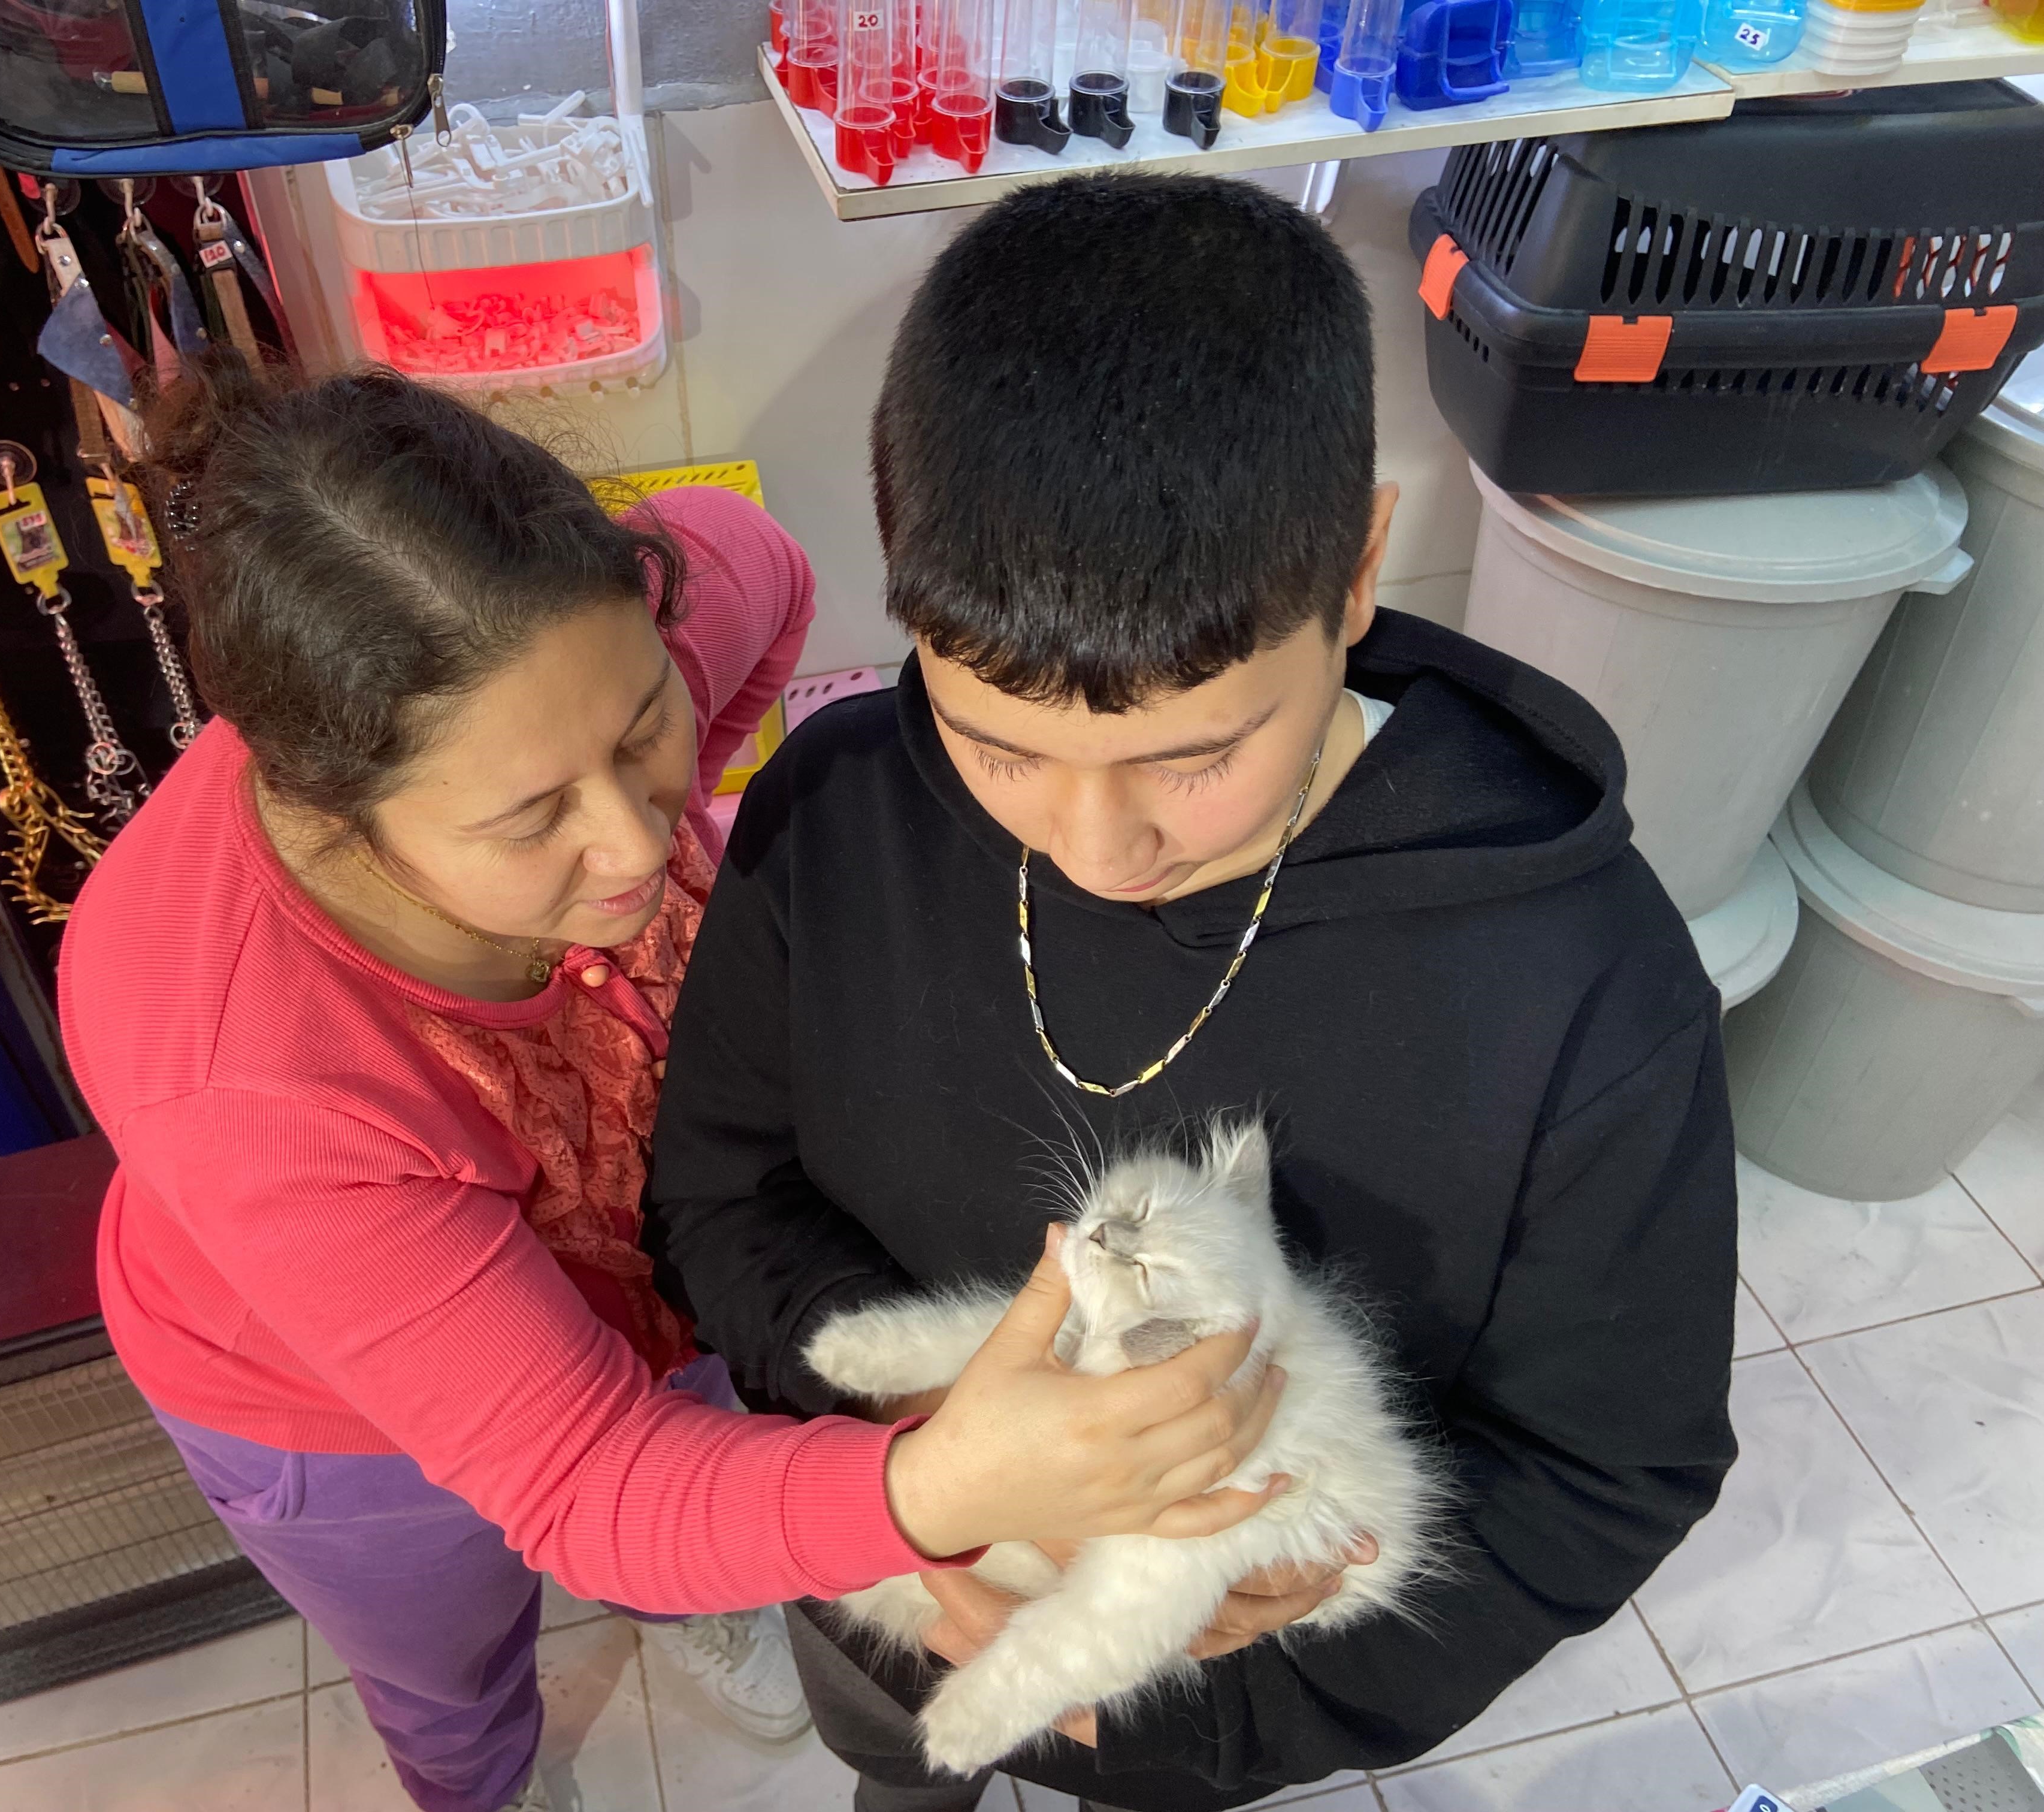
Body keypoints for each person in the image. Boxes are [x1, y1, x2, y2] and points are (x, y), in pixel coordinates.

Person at [645, 174, 1740, 1812]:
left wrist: (1215, 1695)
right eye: (998, 746)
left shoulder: (1581, 982)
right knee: (898, 1760)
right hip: (879, 1552)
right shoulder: (840, 807)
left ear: (1356, 573)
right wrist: (948, 1461)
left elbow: (1609, 1466)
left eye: (1196, 756)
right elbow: (715, 1197)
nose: (1098, 847)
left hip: (1210, 1692)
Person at [57, 359, 1283, 1812]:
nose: (640, 847)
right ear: (337, 806)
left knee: (694, 1471)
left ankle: (680, 1592)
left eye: (645, 725)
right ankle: (485, 1782)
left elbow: (763, 564)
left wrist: (680, 773)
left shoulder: (582, 656)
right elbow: (582, 1478)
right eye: (533, 820)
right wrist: (939, 1493)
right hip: (325, 1413)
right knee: (448, 1663)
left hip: (657, 1258)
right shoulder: (239, 1071)